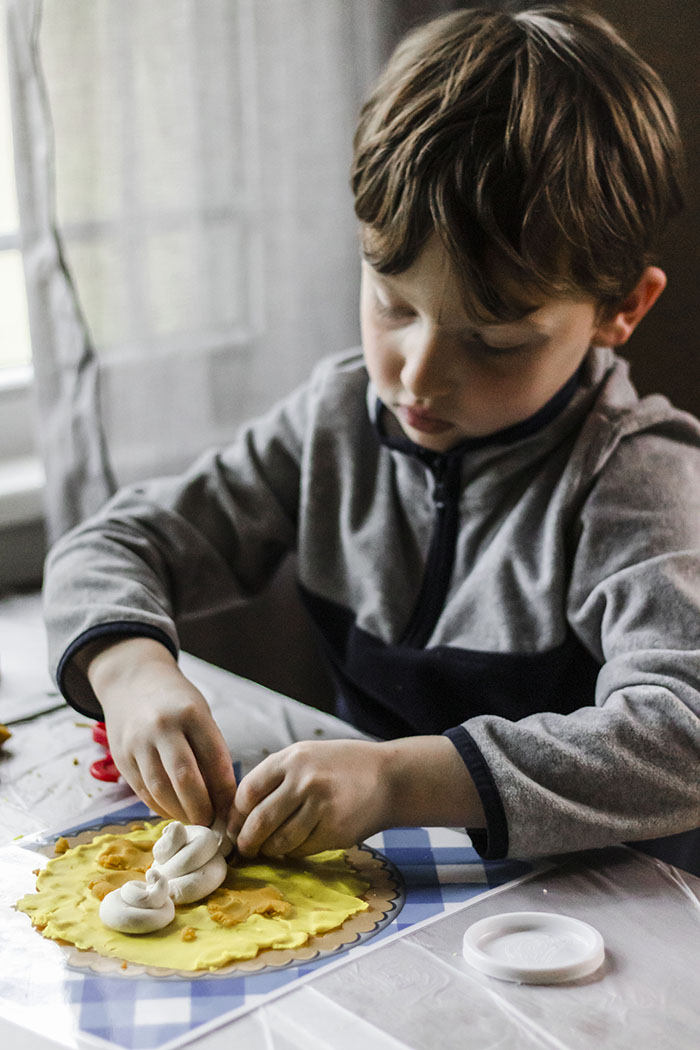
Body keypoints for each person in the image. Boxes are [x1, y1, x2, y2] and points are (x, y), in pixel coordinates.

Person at [43, 3, 700, 873]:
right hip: (395, 896)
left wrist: (399, 782)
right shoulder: (334, 421)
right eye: (394, 303)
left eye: (495, 341)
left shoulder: (635, 480)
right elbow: (113, 542)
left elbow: (680, 736)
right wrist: (129, 673)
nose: (419, 376)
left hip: (600, 919)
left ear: (622, 311)